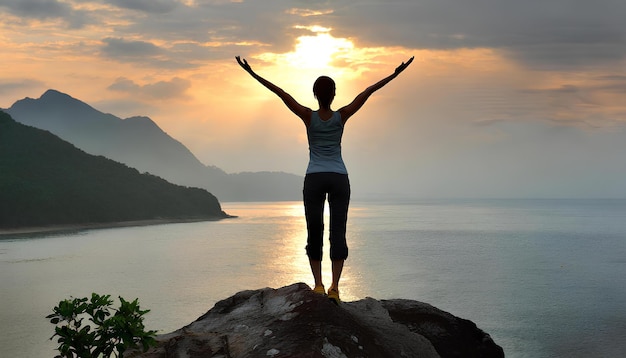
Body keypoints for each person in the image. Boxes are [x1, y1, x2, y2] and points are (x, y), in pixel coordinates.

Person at [236, 55, 413, 303]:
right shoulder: (342, 116)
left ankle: (318, 284)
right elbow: (368, 91)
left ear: (315, 94)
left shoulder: (308, 116)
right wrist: (395, 74)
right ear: (334, 94)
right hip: (339, 177)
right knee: (337, 232)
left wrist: (252, 73)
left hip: (315, 178)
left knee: (314, 230)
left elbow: (280, 93)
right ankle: (335, 288)